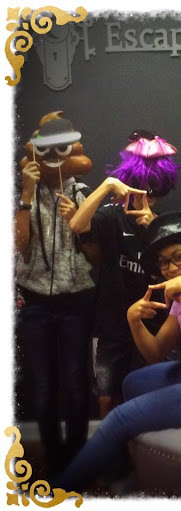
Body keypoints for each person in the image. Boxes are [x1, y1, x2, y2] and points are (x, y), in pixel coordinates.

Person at [53, 211, 181, 492]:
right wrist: (134, 320)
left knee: (120, 418)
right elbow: (155, 352)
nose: (171, 268)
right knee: (133, 382)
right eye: (164, 262)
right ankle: (135, 464)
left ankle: (58, 494)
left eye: (178, 257)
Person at [69, 129, 181, 419]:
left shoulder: (165, 225)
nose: (148, 195)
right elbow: (77, 225)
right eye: (141, 186)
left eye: (155, 189)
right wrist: (109, 185)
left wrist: (153, 227)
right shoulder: (111, 216)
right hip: (111, 325)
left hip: (153, 326)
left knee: (144, 396)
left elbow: (178, 270)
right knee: (106, 398)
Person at [15, 111, 96, 477]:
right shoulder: (21, 195)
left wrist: (78, 222)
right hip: (34, 302)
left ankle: (76, 456)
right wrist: (26, 196)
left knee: (77, 381)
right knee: (42, 385)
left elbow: (96, 257)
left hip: (76, 300)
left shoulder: (82, 193)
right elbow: (18, 246)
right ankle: (52, 456)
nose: (52, 156)